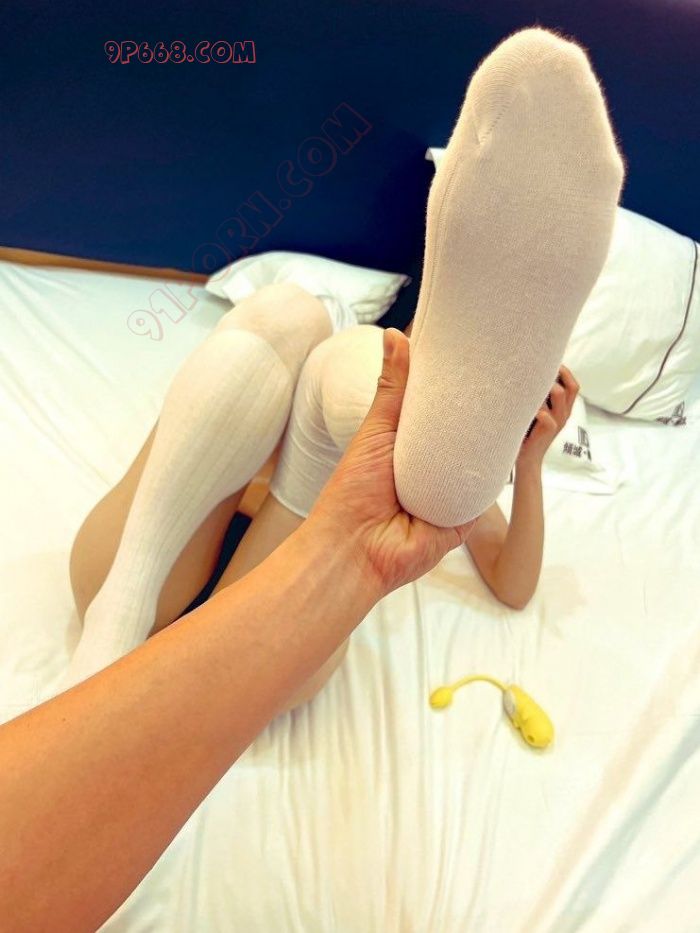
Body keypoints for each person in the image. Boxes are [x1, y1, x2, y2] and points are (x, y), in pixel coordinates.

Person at [1, 25, 621, 929]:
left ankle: (433, 459)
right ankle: (125, 617)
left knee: (344, 362)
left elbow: (514, 583)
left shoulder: (407, 399)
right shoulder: (380, 366)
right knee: (292, 318)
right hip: (165, 559)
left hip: (270, 607)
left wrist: (523, 465)